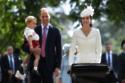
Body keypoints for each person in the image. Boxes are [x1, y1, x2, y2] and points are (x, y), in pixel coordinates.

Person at [23, 8, 62, 83]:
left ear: (49, 17)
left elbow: (59, 50)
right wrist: (32, 49)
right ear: (40, 17)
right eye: (43, 16)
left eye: (46, 16)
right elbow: (24, 46)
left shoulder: (56, 31)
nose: (45, 18)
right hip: (35, 65)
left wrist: (57, 66)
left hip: (49, 65)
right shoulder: (33, 30)